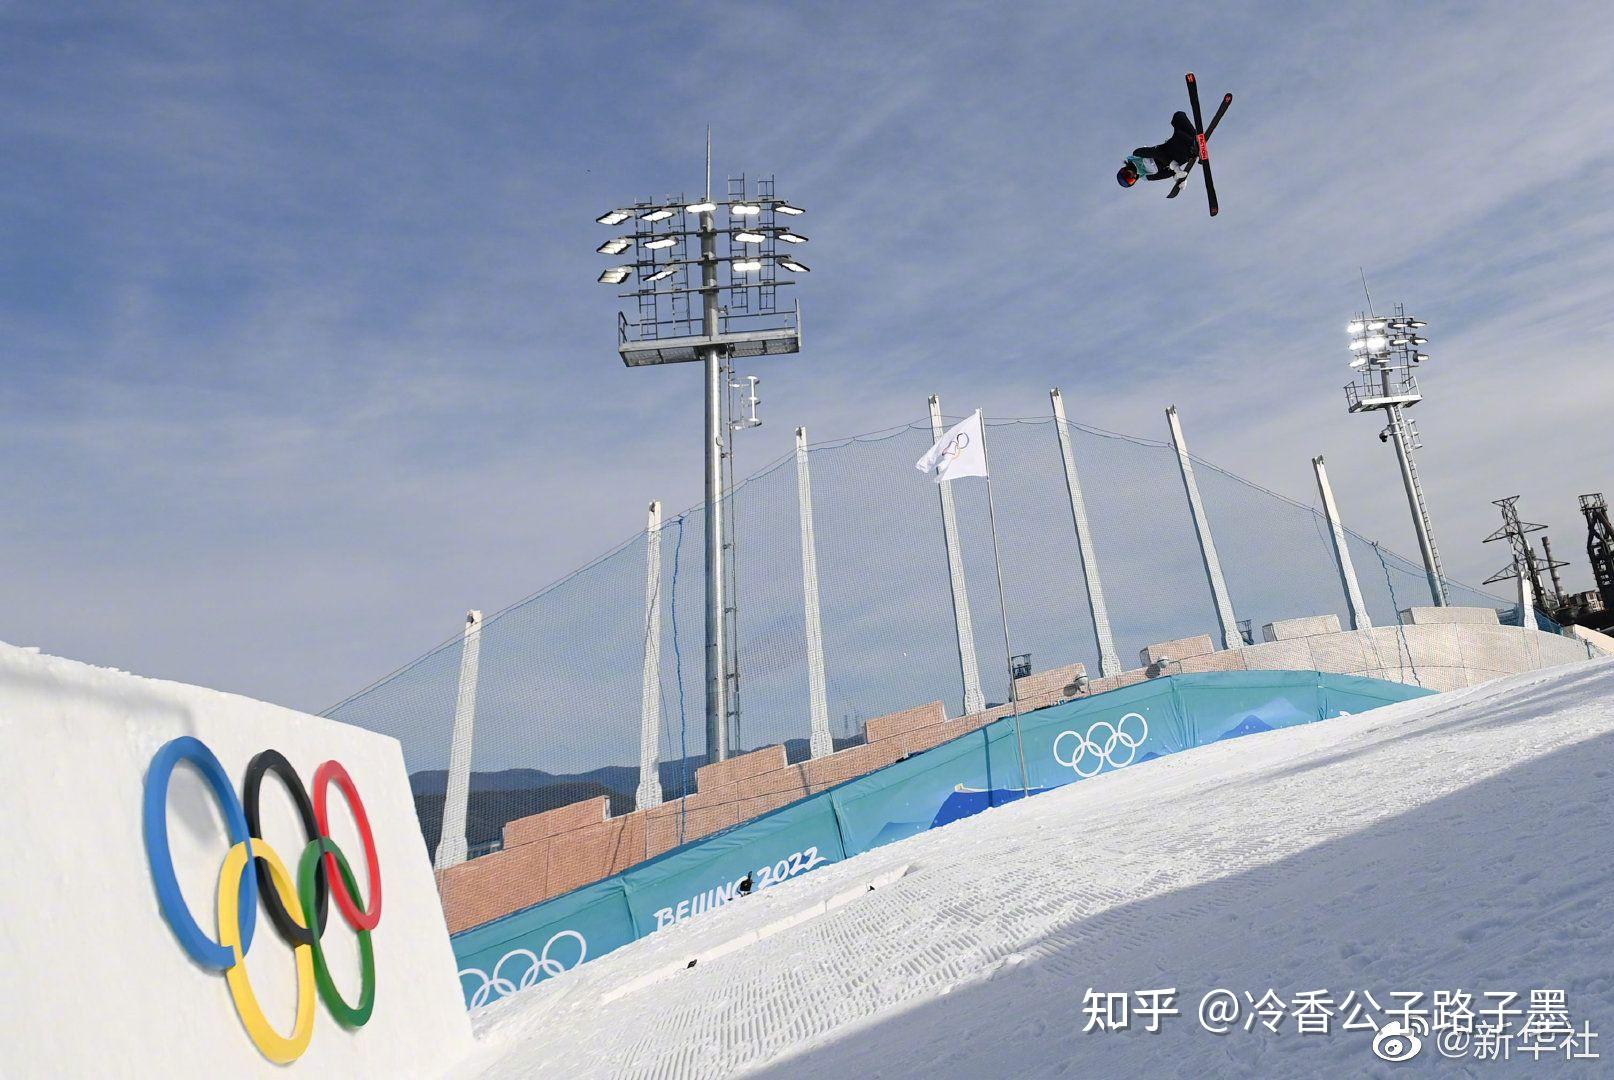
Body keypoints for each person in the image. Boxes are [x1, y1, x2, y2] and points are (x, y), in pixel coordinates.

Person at [1117, 111, 1197, 188]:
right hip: (1182, 156)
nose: (1132, 176)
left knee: (1178, 117)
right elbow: (1164, 174)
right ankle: (1193, 147)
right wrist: (1177, 177)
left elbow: (1156, 152)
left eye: (1128, 175)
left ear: (1125, 169)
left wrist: (1174, 166)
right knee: (1183, 139)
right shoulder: (1146, 176)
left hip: (1173, 146)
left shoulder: (1137, 154)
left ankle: (1194, 143)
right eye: (1131, 180)